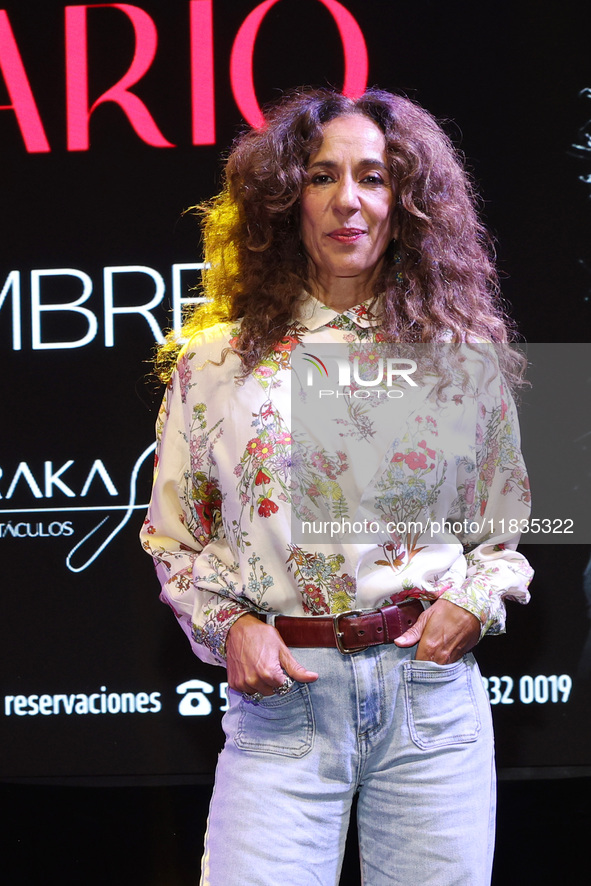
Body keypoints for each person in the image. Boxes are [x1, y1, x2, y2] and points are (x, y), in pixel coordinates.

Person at [141, 88, 533, 886]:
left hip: (425, 702)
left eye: (374, 177)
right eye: (322, 176)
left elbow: (506, 533)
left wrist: (470, 603)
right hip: (284, 708)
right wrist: (229, 627)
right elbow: (172, 539)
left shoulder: (463, 354)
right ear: (286, 199)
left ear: (408, 202)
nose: (346, 200)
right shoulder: (215, 364)